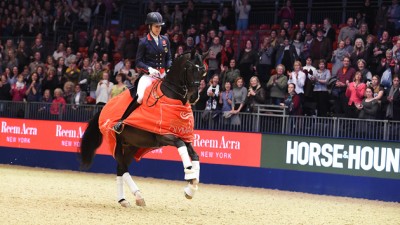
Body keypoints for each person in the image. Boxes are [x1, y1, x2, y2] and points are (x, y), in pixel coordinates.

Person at [113, 12, 172, 133]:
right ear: (150, 26)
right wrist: (149, 69)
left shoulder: (165, 40)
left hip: (163, 75)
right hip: (149, 76)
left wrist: (169, 68)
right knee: (140, 97)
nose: (158, 29)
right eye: (156, 26)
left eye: (160, 26)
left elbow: (169, 58)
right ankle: (122, 121)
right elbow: (139, 62)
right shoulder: (144, 42)